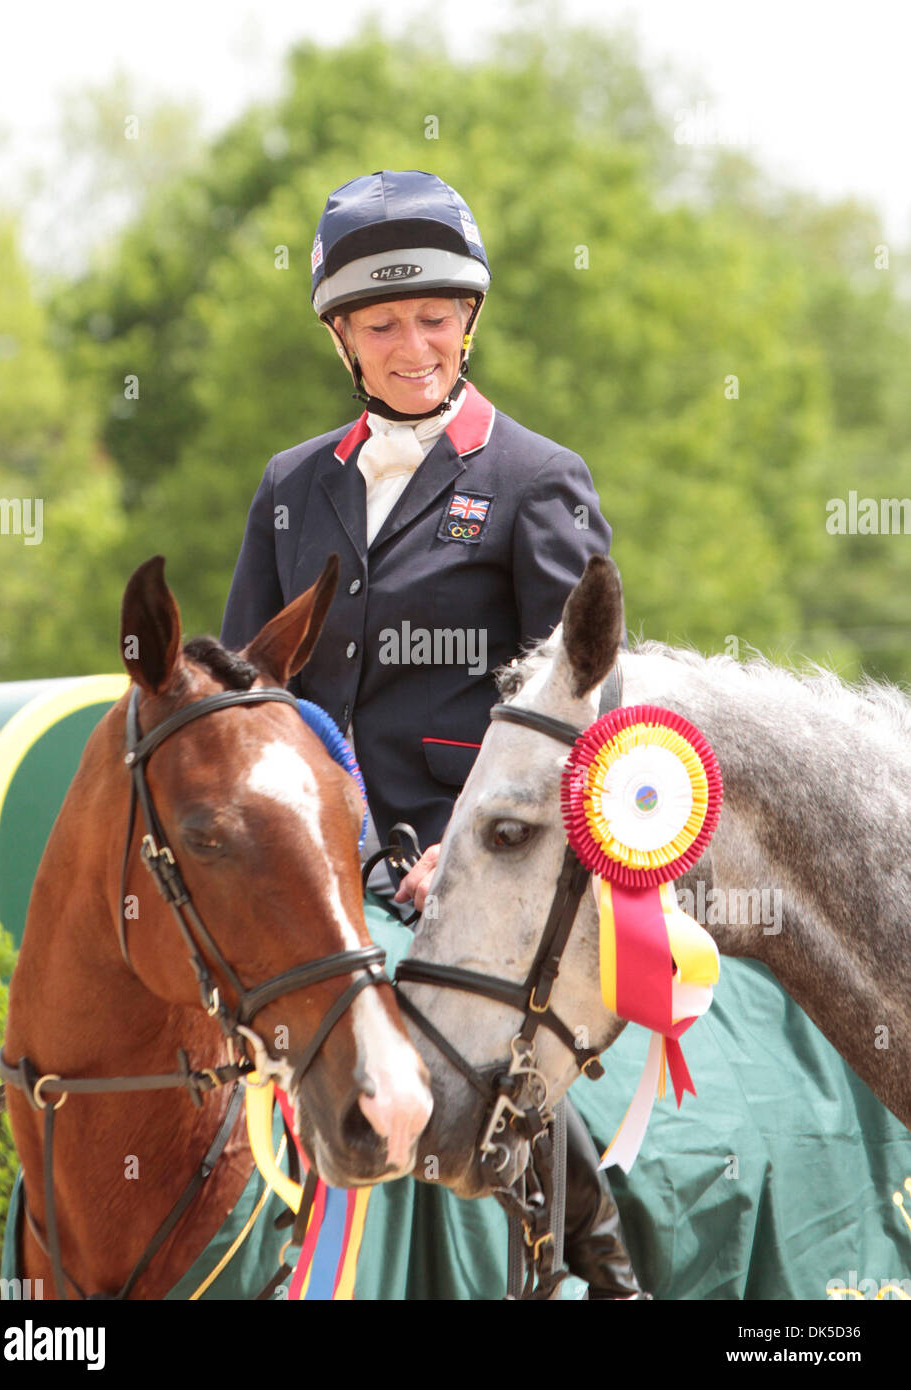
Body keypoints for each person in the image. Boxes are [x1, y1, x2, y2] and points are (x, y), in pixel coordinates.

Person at [220, 168, 646, 1299]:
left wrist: (460, 855)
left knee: (498, 1053)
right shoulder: (287, 485)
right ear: (343, 340)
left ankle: (588, 1270)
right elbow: (249, 691)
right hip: (319, 856)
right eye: (382, 322)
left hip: (479, 860)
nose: (414, 343)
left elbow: (578, 705)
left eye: (435, 317)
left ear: (469, 321)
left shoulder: (534, 479)